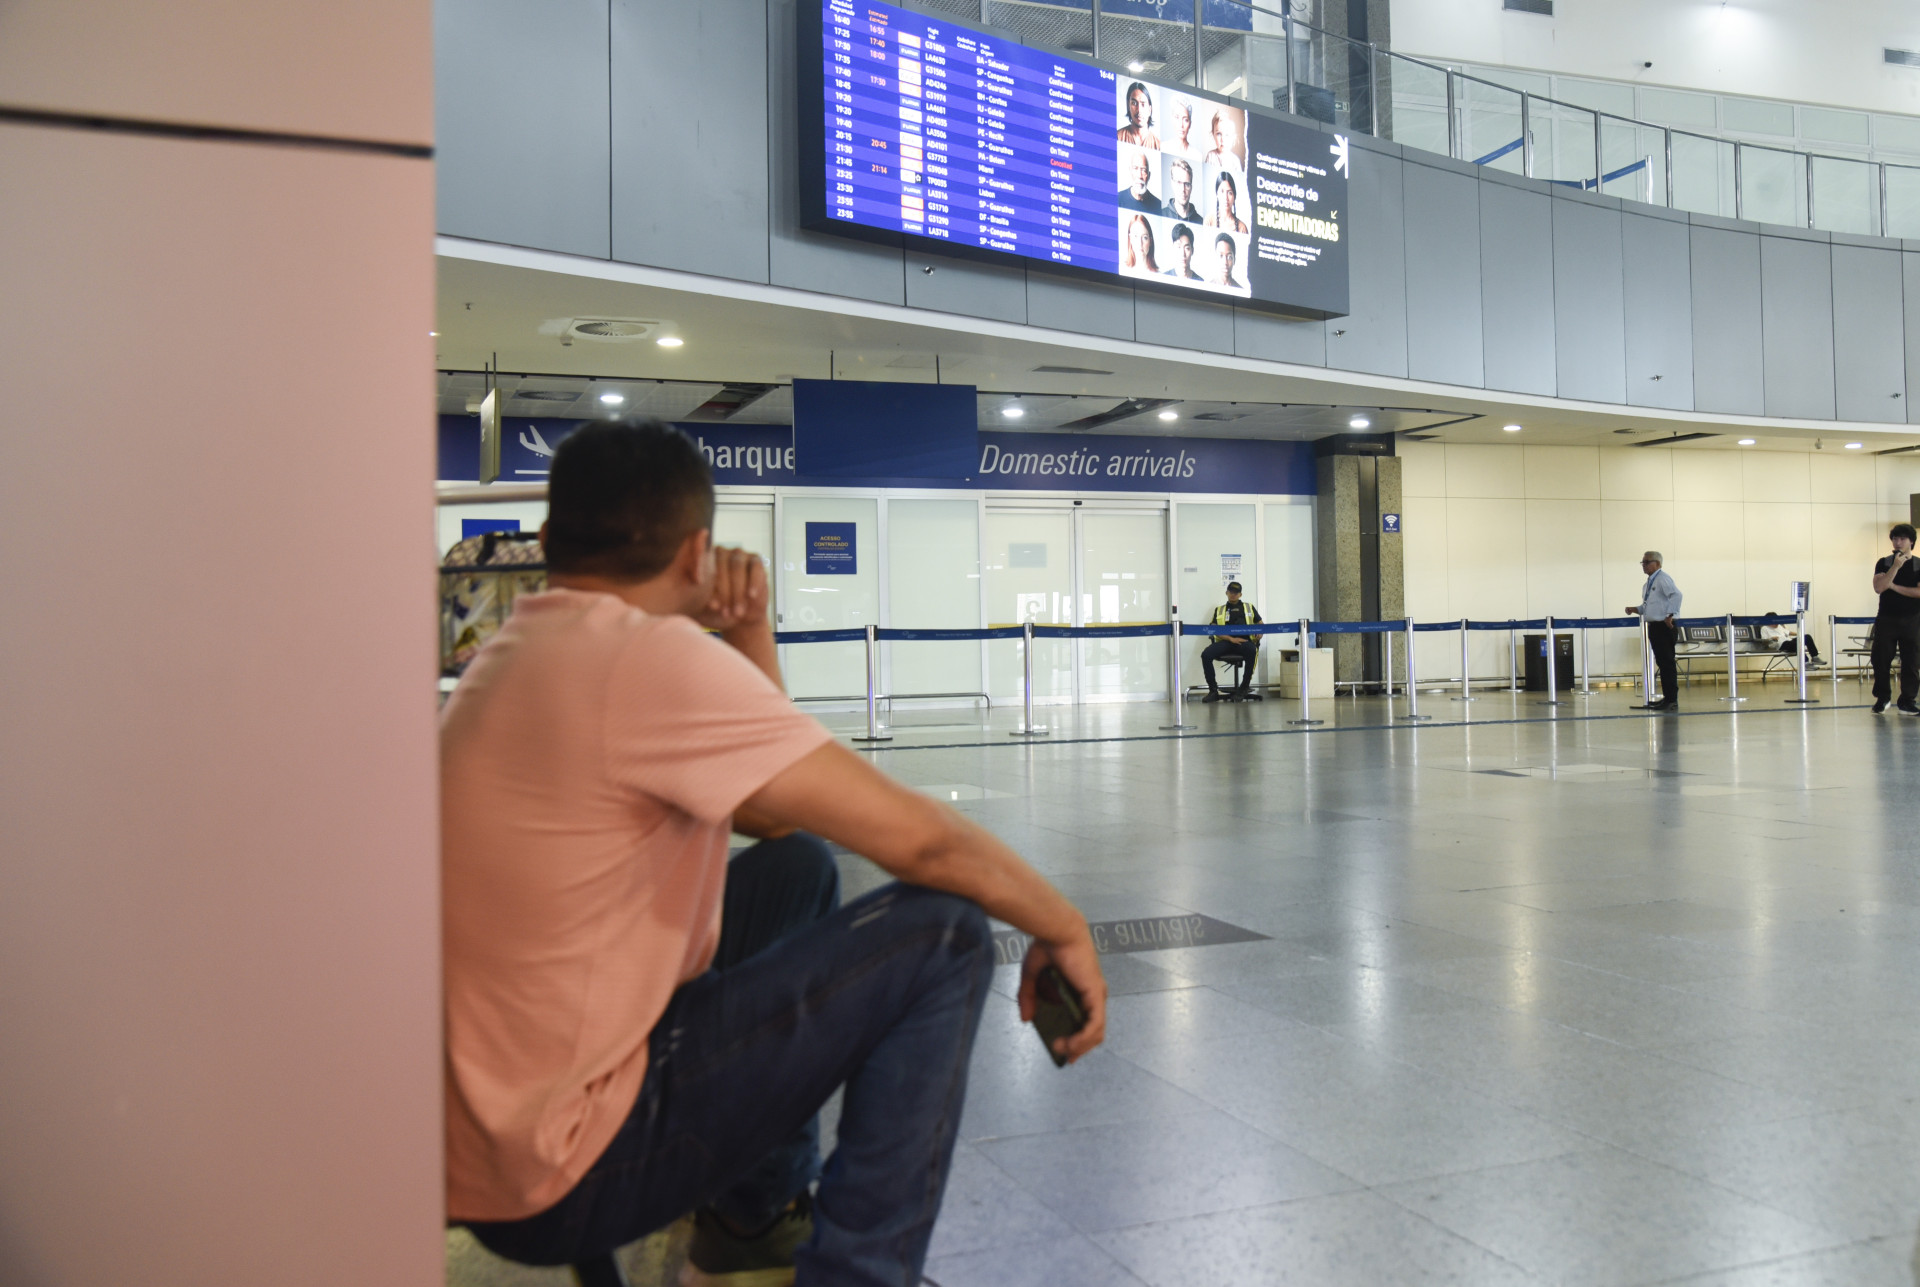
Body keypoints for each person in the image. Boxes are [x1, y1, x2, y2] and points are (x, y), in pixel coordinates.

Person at [442, 421, 1107, 1284]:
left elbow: (774, 818)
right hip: (564, 1167)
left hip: (485, 1139)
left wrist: (747, 627)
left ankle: (750, 1215)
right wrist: (1064, 923)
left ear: (549, 537)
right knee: (944, 935)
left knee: (797, 872)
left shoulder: (515, 650)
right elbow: (923, 840)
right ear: (696, 552)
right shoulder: (643, 656)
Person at [1869, 522, 1920, 714]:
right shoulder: (1884, 562)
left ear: (1911, 542)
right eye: (1895, 539)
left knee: (1911, 661)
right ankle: (1883, 698)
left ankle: (1907, 700)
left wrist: (1894, 586)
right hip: (1886, 618)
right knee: (1880, 659)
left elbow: (1918, 592)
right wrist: (1895, 568)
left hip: (1912, 618)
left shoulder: (1918, 565)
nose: (1898, 542)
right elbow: (1879, 587)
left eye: (1902, 539)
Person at [1626, 550, 1682, 711]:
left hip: (1664, 626)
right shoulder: (1649, 583)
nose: (1643, 565)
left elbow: (1677, 595)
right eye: (1642, 562)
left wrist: (1670, 615)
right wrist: (1635, 609)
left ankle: (1672, 700)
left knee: (1667, 663)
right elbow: (1648, 606)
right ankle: (1667, 697)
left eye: (1647, 562)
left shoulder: (1663, 579)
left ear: (1657, 563)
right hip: (1654, 626)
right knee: (1662, 663)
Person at [1201, 581, 1263, 701]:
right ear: (1227, 593)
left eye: (1236, 592)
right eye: (1231, 592)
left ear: (1240, 594)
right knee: (1206, 655)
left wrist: (1260, 631)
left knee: (1252, 650)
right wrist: (1231, 639)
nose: (1233, 594)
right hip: (1226, 641)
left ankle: (1244, 688)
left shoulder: (1249, 607)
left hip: (1244, 641)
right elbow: (1213, 629)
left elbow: (1261, 624)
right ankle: (1213, 691)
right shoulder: (1219, 610)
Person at [1200, 106, 1245, 175]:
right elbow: (1207, 175)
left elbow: (1238, 179)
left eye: (1227, 135)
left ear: (1233, 138)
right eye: (1219, 134)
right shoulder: (1211, 156)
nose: (1223, 139)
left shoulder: (1235, 161)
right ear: (1213, 135)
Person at [1116, 81, 1159, 148]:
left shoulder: (1157, 144)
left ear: (1149, 110)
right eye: (1134, 103)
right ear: (1128, 107)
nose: (1139, 110)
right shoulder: (1117, 137)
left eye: (1143, 104)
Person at [1161, 157, 1201, 222]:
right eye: (1179, 183)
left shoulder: (1201, 221)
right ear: (1172, 184)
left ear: (1191, 187)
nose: (1183, 189)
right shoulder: (1162, 214)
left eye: (1187, 184)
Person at [1119, 148, 1159, 213]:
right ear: (1130, 171)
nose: (1139, 176)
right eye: (1135, 168)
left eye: (1143, 170)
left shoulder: (1158, 206)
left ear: (1149, 175)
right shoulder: (1117, 199)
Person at [1163, 96, 1199, 160]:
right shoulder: (1163, 147)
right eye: (1177, 118)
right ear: (1172, 119)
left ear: (1190, 123)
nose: (1181, 125)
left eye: (1185, 120)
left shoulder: (1197, 155)